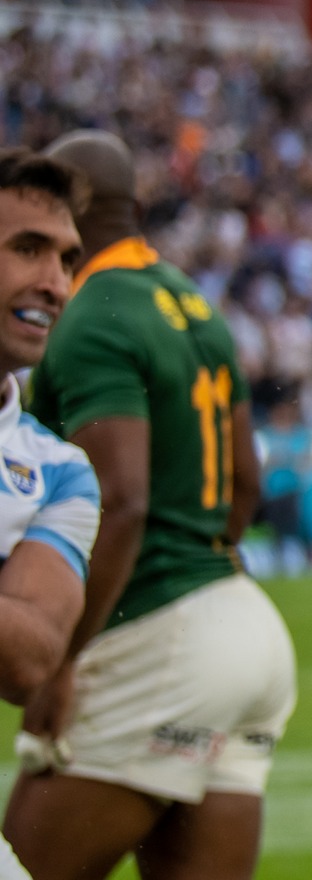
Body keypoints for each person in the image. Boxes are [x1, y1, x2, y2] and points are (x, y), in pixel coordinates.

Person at [5, 131, 294, 880]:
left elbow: (122, 501)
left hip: (160, 626)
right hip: (245, 622)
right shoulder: (190, 297)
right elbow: (245, 488)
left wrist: (64, 663)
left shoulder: (92, 308)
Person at [0, 150, 99, 880]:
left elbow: (30, 656)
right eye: (26, 249)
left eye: (67, 259)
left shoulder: (59, 470)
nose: (55, 283)